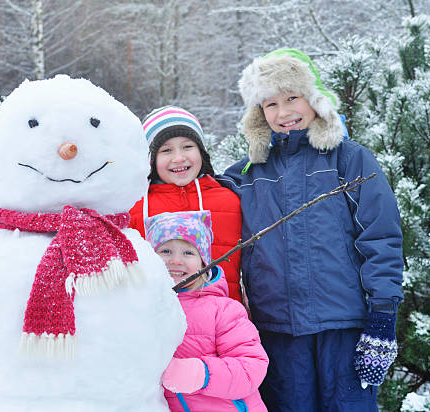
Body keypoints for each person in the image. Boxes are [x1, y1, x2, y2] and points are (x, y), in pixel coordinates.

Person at [217, 48, 404, 412]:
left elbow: (380, 238)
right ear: (259, 114)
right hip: (277, 333)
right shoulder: (244, 176)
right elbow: (194, 211)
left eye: (292, 98)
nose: (283, 112)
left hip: (344, 328)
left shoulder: (350, 160)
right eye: (270, 104)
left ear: (314, 99)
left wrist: (383, 314)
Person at [145, 210, 268, 412]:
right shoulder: (141, 308)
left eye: (188, 252)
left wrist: (202, 374)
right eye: (165, 251)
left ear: (203, 262)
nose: (176, 260)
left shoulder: (224, 310)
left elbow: (251, 367)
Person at [129, 106, 243, 303]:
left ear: (201, 152)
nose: (179, 158)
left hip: (222, 321)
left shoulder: (229, 201)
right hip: (156, 319)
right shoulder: (135, 207)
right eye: (166, 150)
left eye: (187, 147)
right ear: (151, 159)